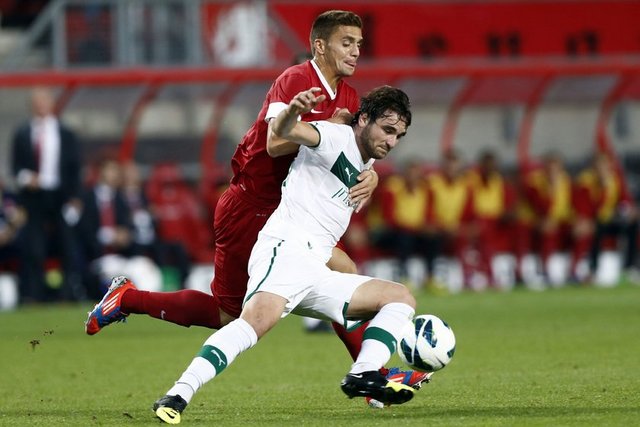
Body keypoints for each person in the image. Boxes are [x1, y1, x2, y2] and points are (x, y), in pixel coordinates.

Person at [85, 10, 428, 399]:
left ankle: (370, 375)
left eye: (358, 44)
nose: (355, 52)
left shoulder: (349, 96)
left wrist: (371, 173)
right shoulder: (295, 79)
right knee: (227, 315)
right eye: (346, 43)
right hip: (253, 205)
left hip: (294, 212)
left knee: (345, 269)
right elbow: (274, 144)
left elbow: (355, 147)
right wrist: (314, 126)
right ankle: (128, 299)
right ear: (320, 46)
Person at [152, 85, 418, 424]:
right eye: (388, 130)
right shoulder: (333, 136)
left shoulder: (367, 158)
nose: (392, 142)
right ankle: (178, 394)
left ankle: (364, 373)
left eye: (398, 136)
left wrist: (374, 175)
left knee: (400, 298)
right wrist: (292, 110)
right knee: (253, 324)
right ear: (364, 119)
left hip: (316, 266)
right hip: (286, 249)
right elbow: (285, 131)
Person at [11, 87, 83, 302]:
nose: (41, 105)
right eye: (37, 102)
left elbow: (74, 167)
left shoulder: (66, 133)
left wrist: (75, 196)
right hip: (34, 196)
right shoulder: (23, 133)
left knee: (66, 245)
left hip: (60, 195)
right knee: (34, 247)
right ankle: (34, 294)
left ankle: (67, 293)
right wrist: (27, 178)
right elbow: (16, 167)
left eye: (44, 101)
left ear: (52, 104)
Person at [572, 151, 639, 283]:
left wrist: (629, 211)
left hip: (610, 220)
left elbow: (623, 200)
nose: (602, 169)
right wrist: (602, 189)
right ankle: (592, 270)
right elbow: (587, 207)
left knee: (633, 226)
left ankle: (630, 267)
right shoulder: (586, 181)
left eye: (604, 165)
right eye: (598, 166)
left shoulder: (615, 179)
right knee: (595, 231)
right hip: (593, 220)